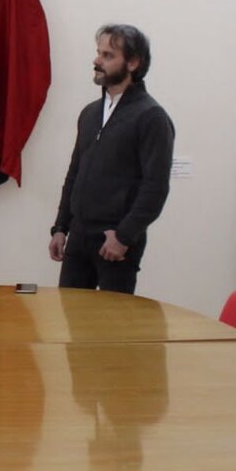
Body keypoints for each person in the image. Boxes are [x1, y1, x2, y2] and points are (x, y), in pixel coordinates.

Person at [49, 23, 175, 294]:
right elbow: (75, 174)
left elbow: (155, 187)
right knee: (69, 314)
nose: (97, 61)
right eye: (98, 53)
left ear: (133, 63)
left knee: (114, 319)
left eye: (107, 55)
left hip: (115, 241)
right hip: (79, 236)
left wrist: (124, 236)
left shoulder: (151, 117)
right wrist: (61, 227)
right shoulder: (90, 113)